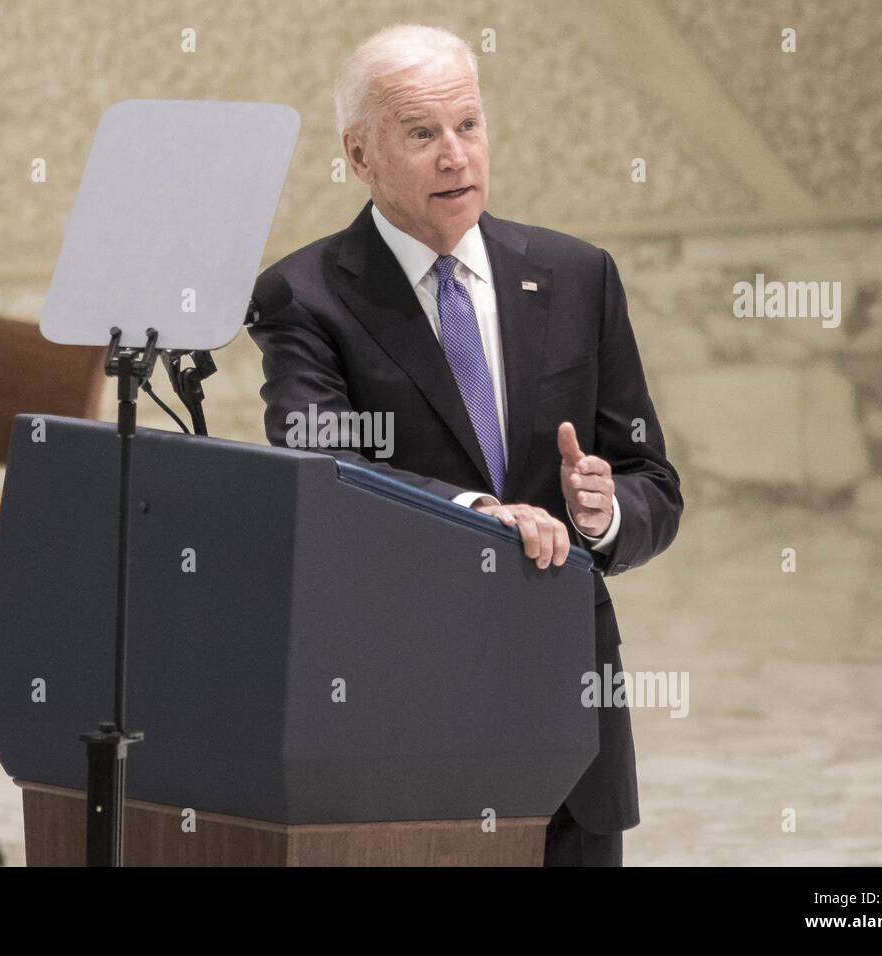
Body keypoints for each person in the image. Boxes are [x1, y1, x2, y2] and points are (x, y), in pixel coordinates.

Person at [248, 23, 683, 866]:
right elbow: (324, 468)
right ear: (359, 156)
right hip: (401, 701)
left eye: (469, 126)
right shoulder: (303, 296)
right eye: (422, 134)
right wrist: (477, 514)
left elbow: (651, 481)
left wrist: (603, 513)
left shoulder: (576, 274)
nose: (455, 156)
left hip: (566, 695)